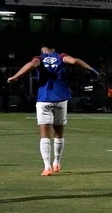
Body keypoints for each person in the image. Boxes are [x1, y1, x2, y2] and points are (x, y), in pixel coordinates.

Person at [7, 43, 99, 175]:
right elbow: (75, 61)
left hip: (44, 99)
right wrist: (92, 70)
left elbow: (32, 64)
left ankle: (47, 167)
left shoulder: (40, 58)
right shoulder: (61, 57)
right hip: (61, 98)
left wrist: (15, 76)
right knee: (59, 134)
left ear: (42, 49)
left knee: (45, 135)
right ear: (54, 49)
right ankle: (57, 162)